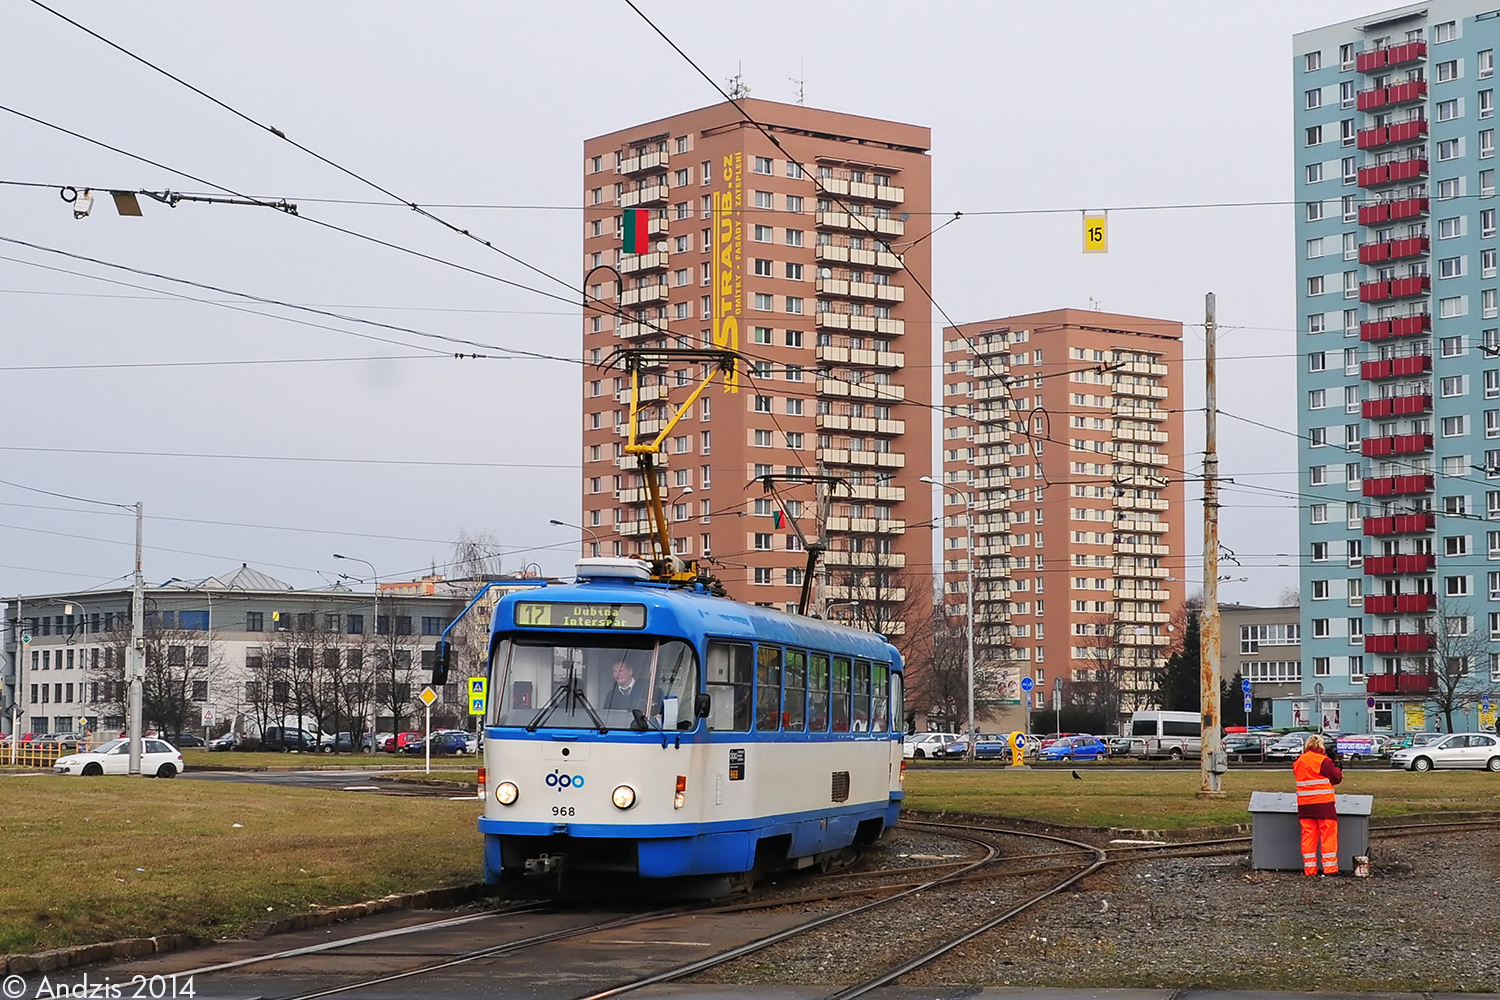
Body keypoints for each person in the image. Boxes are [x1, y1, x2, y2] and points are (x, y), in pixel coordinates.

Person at [1292, 734, 1344, 877]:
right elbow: (1336, 778)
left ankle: (1309, 870)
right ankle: (1330, 869)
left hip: (1305, 806)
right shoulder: (1324, 761)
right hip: (1324, 806)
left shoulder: (1299, 761)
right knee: (1328, 837)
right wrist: (1337, 765)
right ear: (1321, 746)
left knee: (1308, 838)